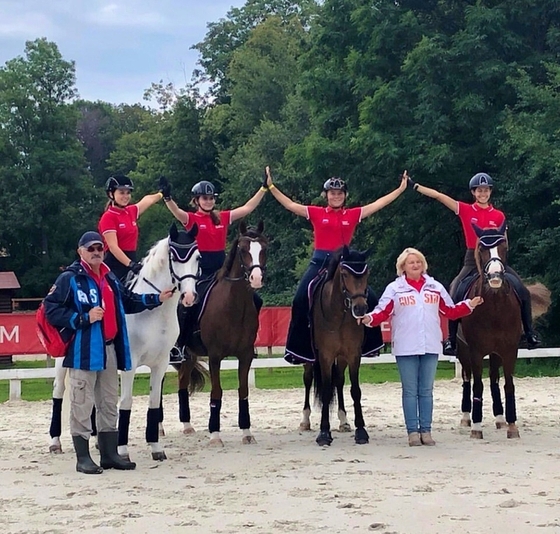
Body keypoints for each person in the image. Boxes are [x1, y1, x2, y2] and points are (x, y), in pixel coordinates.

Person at [44, 231, 174, 474]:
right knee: (82, 403)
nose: (96, 252)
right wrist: (82, 317)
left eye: (99, 248)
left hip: (110, 348)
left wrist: (156, 298)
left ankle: (109, 454)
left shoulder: (110, 277)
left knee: (108, 402)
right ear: (80, 251)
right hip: (84, 349)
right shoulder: (70, 278)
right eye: (90, 248)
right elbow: (50, 309)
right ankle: (83, 457)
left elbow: (129, 300)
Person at [265, 166, 408, 364]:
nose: (336, 196)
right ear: (326, 195)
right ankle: (298, 349)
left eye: (340, 193)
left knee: (372, 297)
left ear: (345, 195)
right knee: (299, 299)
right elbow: (290, 205)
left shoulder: (353, 214)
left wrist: (400, 189)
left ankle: (370, 345)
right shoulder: (315, 212)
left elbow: (378, 204)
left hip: (344, 263)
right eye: (333, 193)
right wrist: (271, 186)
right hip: (320, 261)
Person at [360, 248, 484, 446]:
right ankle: (412, 432)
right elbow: (382, 312)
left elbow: (450, 311)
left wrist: (469, 304)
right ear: (403, 267)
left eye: (418, 262)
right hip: (406, 346)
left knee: (426, 390)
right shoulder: (395, 288)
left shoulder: (435, 287)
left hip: (430, 344)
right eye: (411, 262)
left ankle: (426, 431)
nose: (415, 265)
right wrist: (368, 319)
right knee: (410, 391)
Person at [410, 172, 541, 355]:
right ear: (474, 192)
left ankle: (529, 333)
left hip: (496, 259)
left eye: (486, 190)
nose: (483, 194)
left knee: (523, 291)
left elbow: (505, 240)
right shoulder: (465, 210)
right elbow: (440, 196)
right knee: (455, 289)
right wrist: (416, 186)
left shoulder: (499, 215)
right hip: (473, 259)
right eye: (479, 191)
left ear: (490, 192)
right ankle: (451, 339)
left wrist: (500, 259)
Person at [160, 175, 267, 362]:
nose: (208, 201)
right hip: (201, 271)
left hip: (222, 269)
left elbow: (248, 207)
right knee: (187, 304)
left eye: (211, 198)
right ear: (196, 201)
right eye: (204, 198)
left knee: (255, 299)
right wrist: (168, 198)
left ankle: (248, 340)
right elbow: (177, 212)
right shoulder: (192, 218)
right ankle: (181, 345)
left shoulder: (223, 217)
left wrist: (264, 188)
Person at [98, 174, 164, 282]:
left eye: (128, 193)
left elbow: (147, 200)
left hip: (131, 262)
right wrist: (130, 264)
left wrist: (161, 193)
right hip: (115, 266)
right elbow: (113, 247)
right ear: (111, 194)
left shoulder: (130, 211)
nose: (126, 196)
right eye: (122, 192)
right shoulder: (108, 217)